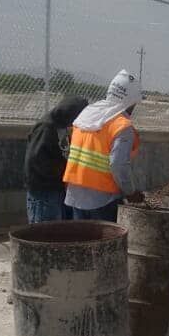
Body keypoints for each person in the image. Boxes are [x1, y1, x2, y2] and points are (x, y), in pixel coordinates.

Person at [63, 70, 145, 222]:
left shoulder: (86, 115)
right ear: (130, 101)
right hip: (103, 200)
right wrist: (130, 192)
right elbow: (118, 164)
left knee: (82, 243)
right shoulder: (121, 125)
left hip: (76, 195)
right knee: (105, 244)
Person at [24, 96, 89, 223]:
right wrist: (63, 172)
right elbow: (37, 160)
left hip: (54, 188)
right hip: (43, 189)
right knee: (44, 232)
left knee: (55, 230)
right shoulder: (46, 127)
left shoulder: (60, 125)